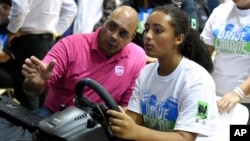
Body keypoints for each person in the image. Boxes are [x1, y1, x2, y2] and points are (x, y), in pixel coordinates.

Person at [107, 5, 224, 141]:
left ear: (179, 39)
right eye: (146, 29)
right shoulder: (146, 72)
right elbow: (135, 119)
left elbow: (185, 138)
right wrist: (118, 119)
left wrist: (135, 131)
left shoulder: (198, 80)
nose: (148, 36)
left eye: (157, 30)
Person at [21, 6, 146, 118]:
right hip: (55, 115)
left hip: (99, 124)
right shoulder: (70, 45)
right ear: (105, 22)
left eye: (123, 33)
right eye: (111, 26)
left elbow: (126, 107)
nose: (113, 36)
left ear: (131, 38)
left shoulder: (137, 57)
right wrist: (36, 83)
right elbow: (31, 90)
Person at [7, 0, 77, 110]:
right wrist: (55, 31)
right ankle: (38, 124)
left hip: (26, 38)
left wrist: (12, 30)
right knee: (41, 90)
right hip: (47, 40)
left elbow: (20, 9)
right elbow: (71, 9)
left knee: (28, 92)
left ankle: (31, 125)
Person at [200, 0, 250, 125]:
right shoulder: (220, 11)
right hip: (213, 97)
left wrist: (238, 93)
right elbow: (205, 52)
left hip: (245, 101)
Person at [0, 0, 13, 89]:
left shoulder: (13, 31)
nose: (1, 10)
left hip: (9, 73)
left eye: (5, 8)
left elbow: (3, 58)